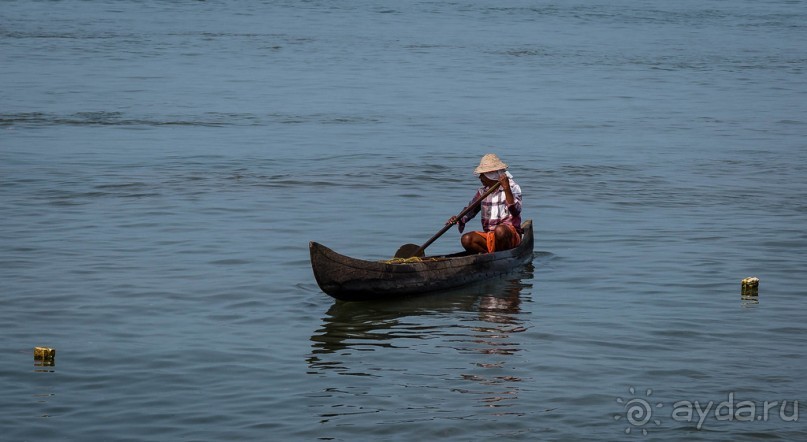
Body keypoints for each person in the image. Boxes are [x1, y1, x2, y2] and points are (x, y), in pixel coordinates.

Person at [448, 153, 523, 254]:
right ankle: (489, 257)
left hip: (510, 236)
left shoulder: (513, 187)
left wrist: (506, 188)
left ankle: (501, 256)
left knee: (500, 231)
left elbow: (515, 211)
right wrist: (458, 219)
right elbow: (470, 210)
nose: (480, 178)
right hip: (490, 236)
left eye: (483, 175)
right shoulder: (482, 192)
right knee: (466, 239)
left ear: (491, 175)